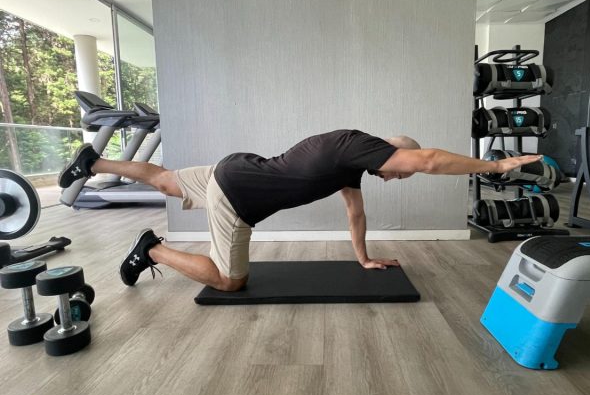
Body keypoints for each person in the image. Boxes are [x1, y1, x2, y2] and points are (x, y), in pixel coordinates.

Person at [58, 129, 540, 292]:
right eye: (399, 172)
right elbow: (431, 159)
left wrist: (363, 258)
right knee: (230, 281)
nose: (396, 178)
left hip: (237, 167)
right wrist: (496, 163)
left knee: (166, 179)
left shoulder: (348, 157)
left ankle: (92, 160)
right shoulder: (364, 148)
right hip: (240, 198)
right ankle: (154, 249)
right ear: (392, 154)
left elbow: (355, 214)